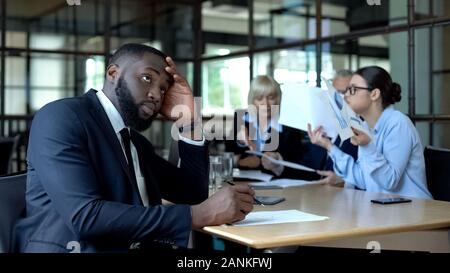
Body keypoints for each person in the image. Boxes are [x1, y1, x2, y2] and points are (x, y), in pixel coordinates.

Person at [14, 44, 255, 253]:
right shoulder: (62, 117)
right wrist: (195, 215)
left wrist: (189, 122)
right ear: (113, 73)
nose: (156, 95)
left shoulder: (135, 142)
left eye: (163, 89)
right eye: (147, 78)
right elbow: (86, 216)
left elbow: (192, 194)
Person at [308, 66, 432, 199]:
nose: (345, 95)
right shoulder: (365, 126)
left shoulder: (398, 122)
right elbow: (362, 180)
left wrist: (367, 146)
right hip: (384, 210)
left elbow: (389, 181)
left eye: (352, 89)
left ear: (374, 94)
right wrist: (329, 146)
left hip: (413, 210)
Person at [226, 75, 326, 180]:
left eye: (271, 98)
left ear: (278, 99)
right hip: (242, 181)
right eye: (259, 98)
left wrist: (277, 161)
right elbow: (228, 152)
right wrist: (241, 144)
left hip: (277, 183)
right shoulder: (241, 118)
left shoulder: (289, 126)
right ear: (252, 100)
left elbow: (296, 160)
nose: (266, 104)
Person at [317, 70, 358, 187]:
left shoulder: (363, 128)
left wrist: (344, 182)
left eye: (347, 91)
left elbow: (370, 177)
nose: (342, 97)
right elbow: (308, 167)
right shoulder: (320, 125)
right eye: (336, 92)